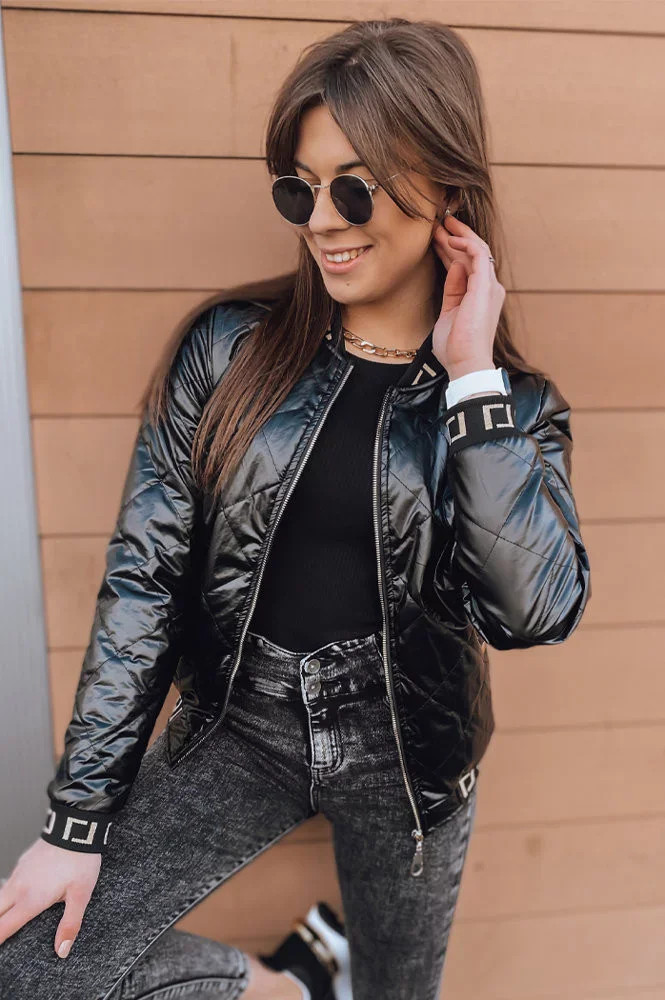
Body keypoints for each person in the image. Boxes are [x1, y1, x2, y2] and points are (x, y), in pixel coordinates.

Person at [0, 16, 591, 1000]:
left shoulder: (507, 407)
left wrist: (469, 378)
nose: (321, 219)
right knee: (29, 971)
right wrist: (76, 821)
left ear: (444, 189)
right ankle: (286, 985)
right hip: (239, 727)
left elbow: (532, 612)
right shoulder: (228, 349)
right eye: (299, 187)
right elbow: (144, 583)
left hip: (408, 761)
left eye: (353, 187)